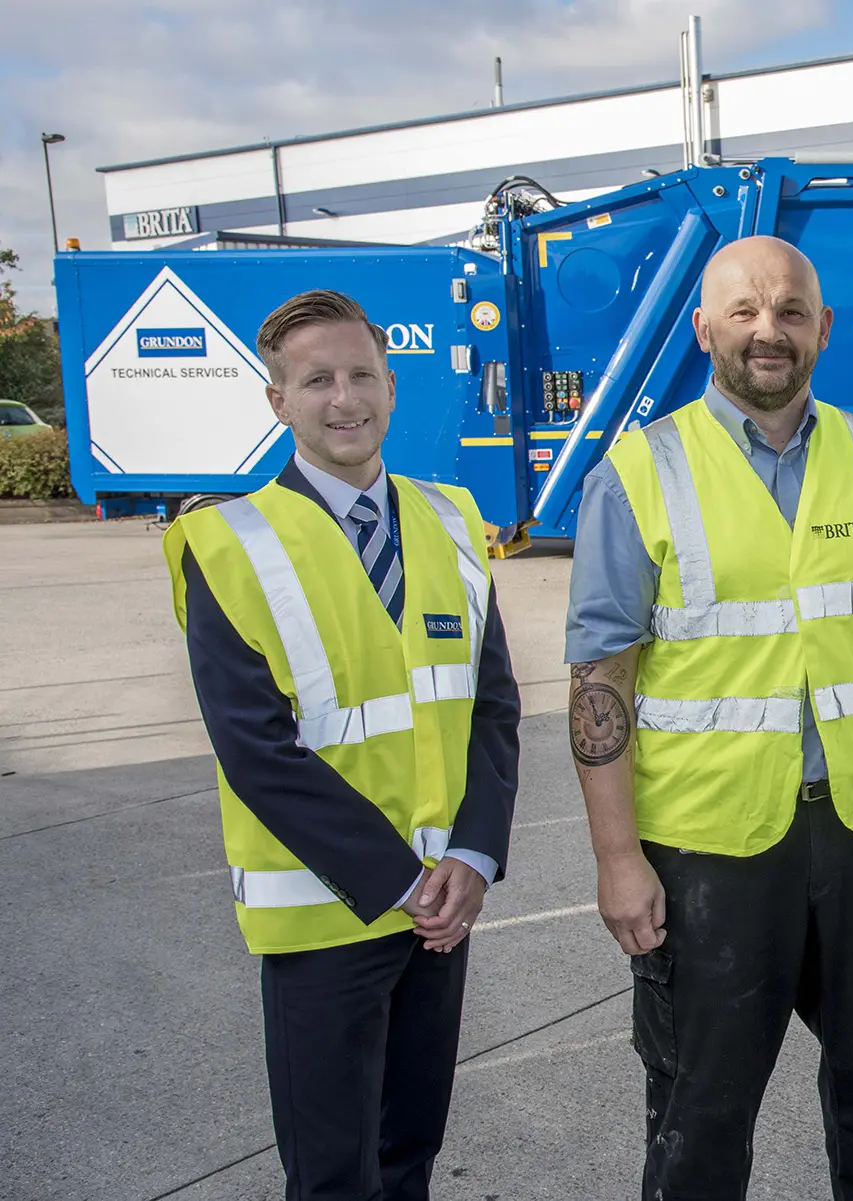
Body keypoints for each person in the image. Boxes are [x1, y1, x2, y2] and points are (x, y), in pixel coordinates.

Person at [565, 235, 853, 1200]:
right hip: (706, 849)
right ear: (704, 326)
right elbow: (601, 678)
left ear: (823, 329)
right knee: (699, 1116)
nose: (769, 330)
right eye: (745, 311)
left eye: (792, 311)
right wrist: (615, 856)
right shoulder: (640, 472)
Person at [165, 290, 521, 1201]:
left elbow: (491, 709)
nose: (344, 397)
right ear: (278, 400)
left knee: (411, 1152)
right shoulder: (227, 542)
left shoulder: (449, 521)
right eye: (316, 379)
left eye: (362, 374)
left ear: (392, 389)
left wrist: (473, 860)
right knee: (331, 1176)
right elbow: (257, 751)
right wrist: (403, 881)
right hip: (329, 916)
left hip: (442, 909)